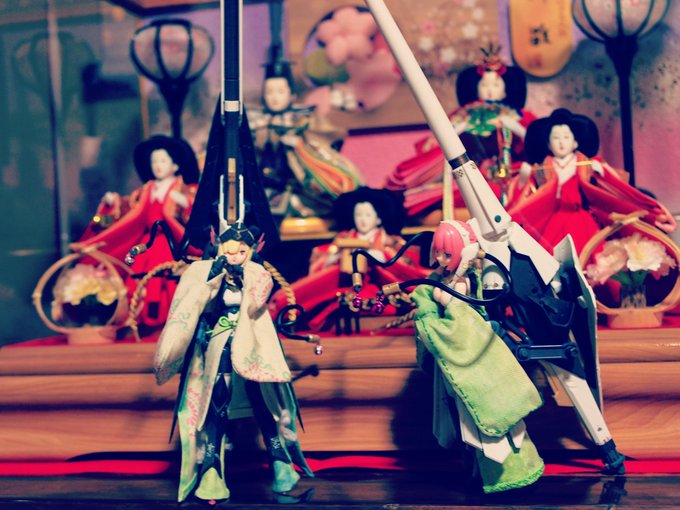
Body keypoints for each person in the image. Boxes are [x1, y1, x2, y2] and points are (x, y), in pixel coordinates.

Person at [153, 222, 313, 503]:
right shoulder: (207, 271)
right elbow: (193, 304)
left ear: (250, 251)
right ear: (219, 249)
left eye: (241, 251)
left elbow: (256, 300)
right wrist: (211, 278)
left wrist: (243, 275)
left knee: (263, 401)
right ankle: (211, 471)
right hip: (220, 342)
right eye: (229, 251)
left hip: (252, 343)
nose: (235, 256)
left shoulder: (257, 273)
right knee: (217, 403)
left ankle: (281, 465)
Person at [412, 220, 545, 493]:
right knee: (463, 426)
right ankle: (475, 472)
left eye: (447, 254)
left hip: (473, 356)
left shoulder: (464, 281)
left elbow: (459, 312)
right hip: (452, 361)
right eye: (438, 253)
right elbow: (432, 300)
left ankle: (507, 474)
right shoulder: (441, 280)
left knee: (490, 419)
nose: (441, 259)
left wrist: (445, 297)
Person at [386, 45, 535, 220]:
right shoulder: (461, 116)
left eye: (496, 85)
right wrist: (459, 129)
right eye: (484, 84)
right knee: (449, 193)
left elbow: (536, 143)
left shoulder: (521, 117)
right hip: (473, 171)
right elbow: (437, 144)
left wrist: (515, 127)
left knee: (512, 189)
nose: (489, 90)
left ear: (506, 89)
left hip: (508, 172)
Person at [507, 108, 676, 253]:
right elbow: (528, 191)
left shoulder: (584, 162)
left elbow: (613, 184)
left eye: (566, 137)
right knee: (551, 251)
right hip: (555, 215)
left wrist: (601, 171)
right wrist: (525, 176)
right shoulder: (545, 165)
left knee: (589, 250)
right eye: (556, 138)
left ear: (575, 143)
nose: (561, 143)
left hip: (580, 214)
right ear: (548, 145)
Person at [75, 135, 199, 330]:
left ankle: (170, 321)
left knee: (166, 279)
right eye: (154, 161)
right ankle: (139, 319)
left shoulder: (184, 188)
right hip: (146, 243)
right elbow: (129, 209)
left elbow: (197, 211)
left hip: (169, 243)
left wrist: (184, 203)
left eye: (163, 160)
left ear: (175, 165)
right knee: (138, 278)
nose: (157, 165)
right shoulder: (146, 190)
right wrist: (114, 202)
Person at [269, 187, 429, 331]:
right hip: (345, 284)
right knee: (317, 289)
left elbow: (405, 264)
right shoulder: (344, 238)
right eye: (358, 215)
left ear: (378, 219)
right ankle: (283, 307)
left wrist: (380, 256)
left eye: (368, 215)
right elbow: (323, 258)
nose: (363, 219)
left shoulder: (389, 241)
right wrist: (336, 257)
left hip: (379, 284)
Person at [249, 59, 363, 225]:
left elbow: (331, 138)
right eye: (269, 92)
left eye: (280, 91)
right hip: (265, 185)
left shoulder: (305, 119)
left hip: (299, 187)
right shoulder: (257, 123)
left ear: (291, 95)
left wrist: (300, 144)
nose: (275, 97)